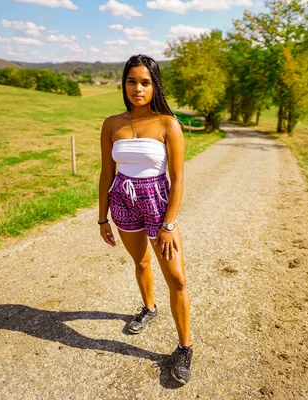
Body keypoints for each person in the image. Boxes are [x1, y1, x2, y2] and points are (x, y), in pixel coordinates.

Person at [97, 54, 192, 384]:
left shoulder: (168, 123)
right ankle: (149, 309)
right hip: (122, 202)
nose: (138, 88)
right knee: (140, 263)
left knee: (177, 278)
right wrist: (101, 218)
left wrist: (168, 225)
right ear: (124, 84)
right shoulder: (112, 123)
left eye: (145, 82)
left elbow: (178, 179)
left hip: (158, 204)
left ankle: (184, 348)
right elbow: (106, 172)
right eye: (131, 81)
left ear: (155, 86)